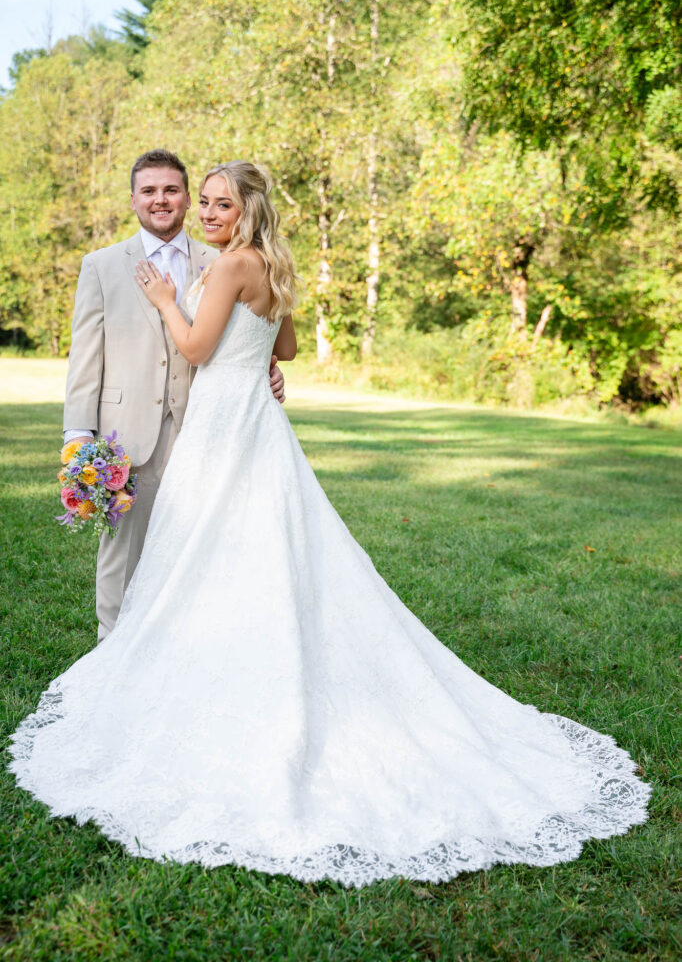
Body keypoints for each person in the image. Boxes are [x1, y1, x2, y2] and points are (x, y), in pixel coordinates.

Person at [10, 161, 650, 888]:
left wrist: (164, 300)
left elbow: (194, 348)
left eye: (220, 202)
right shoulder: (273, 265)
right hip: (253, 424)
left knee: (207, 554)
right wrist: (259, 365)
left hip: (221, 429)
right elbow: (280, 350)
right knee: (260, 552)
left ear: (245, 208)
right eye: (207, 202)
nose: (208, 212)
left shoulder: (224, 266)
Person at [62, 149, 286, 642]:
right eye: (148, 191)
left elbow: (244, 337)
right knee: (122, 553)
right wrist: (78, 436)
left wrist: (266, 370)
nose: (160, 200)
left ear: (186, 198)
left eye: (171, 190)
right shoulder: (100, 265)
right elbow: (84, 357)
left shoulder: (222, 256)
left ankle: (181, 648)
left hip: (207, 431)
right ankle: (111, 651)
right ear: (134, 199)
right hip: (127, 435)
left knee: (201, 550)